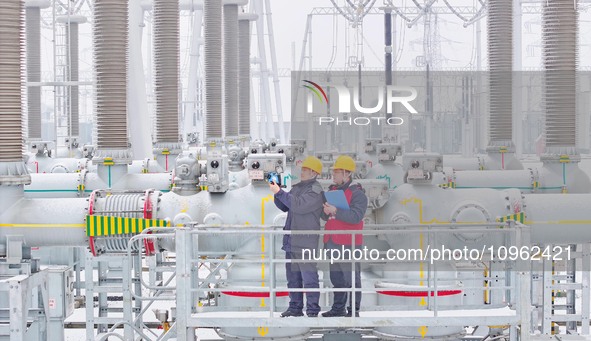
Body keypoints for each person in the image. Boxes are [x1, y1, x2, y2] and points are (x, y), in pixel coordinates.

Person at [270, 156, 324, 317]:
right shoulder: (298, 188)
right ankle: (295, 307)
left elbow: (299, 206)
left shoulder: (315, 191)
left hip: (306, 242)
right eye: (302, 169)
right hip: (292, 240)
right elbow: (284, 206)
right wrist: (277, 191)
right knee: (293, 278)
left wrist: (280, 192)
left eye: (306, 170)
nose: (302, 172)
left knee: (309, 278)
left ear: (314, 173)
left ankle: (313, 309)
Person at [321, 155, 368, 317]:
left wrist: (335, 210)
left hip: (349, 243)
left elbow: (355, 217)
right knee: (337, 278)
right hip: (332, 241)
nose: (333, 175)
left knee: (352, 278)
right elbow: (325, 216)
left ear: (347, 174)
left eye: (337, 172)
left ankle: (353, 310)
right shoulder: (332, 191)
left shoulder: (358, 194)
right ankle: (338, 308)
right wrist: (325, 210)